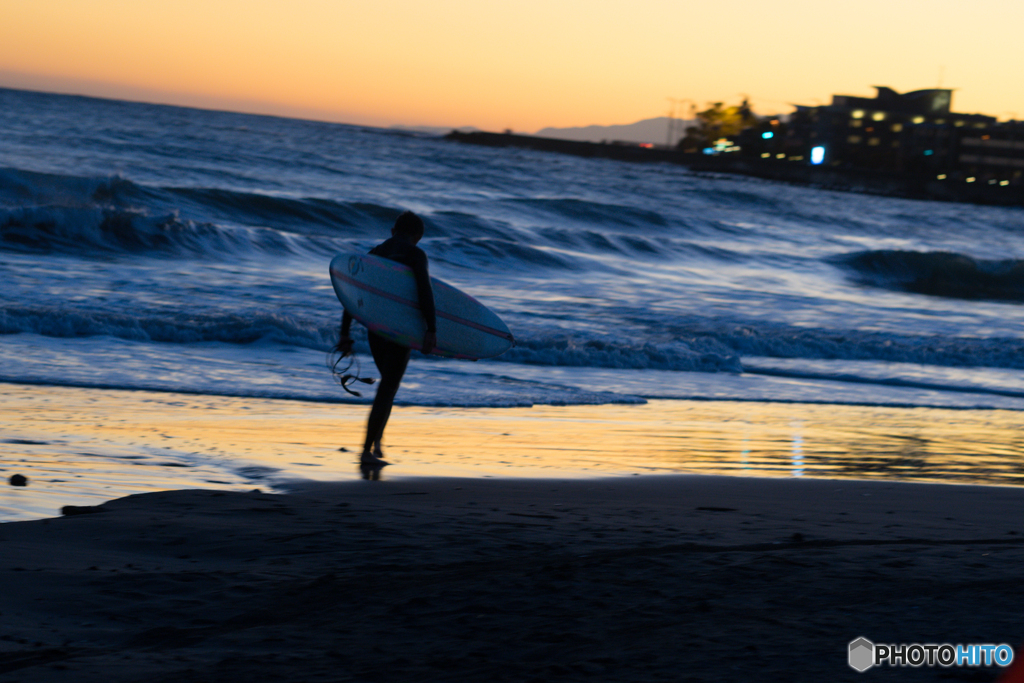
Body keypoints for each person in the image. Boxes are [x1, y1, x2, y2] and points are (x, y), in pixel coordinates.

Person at [335, 211, 436, 468]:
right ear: (418, 236)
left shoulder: (375, 253)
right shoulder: (416, 254)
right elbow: (425, 292)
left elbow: (353, 295)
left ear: (393, 230)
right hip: (400, 328)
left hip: (376, 328)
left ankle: (377, 440)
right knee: (388, 387)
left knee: (388, 386)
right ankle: (367, 451)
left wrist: (345, 334)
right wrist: (431, 329)